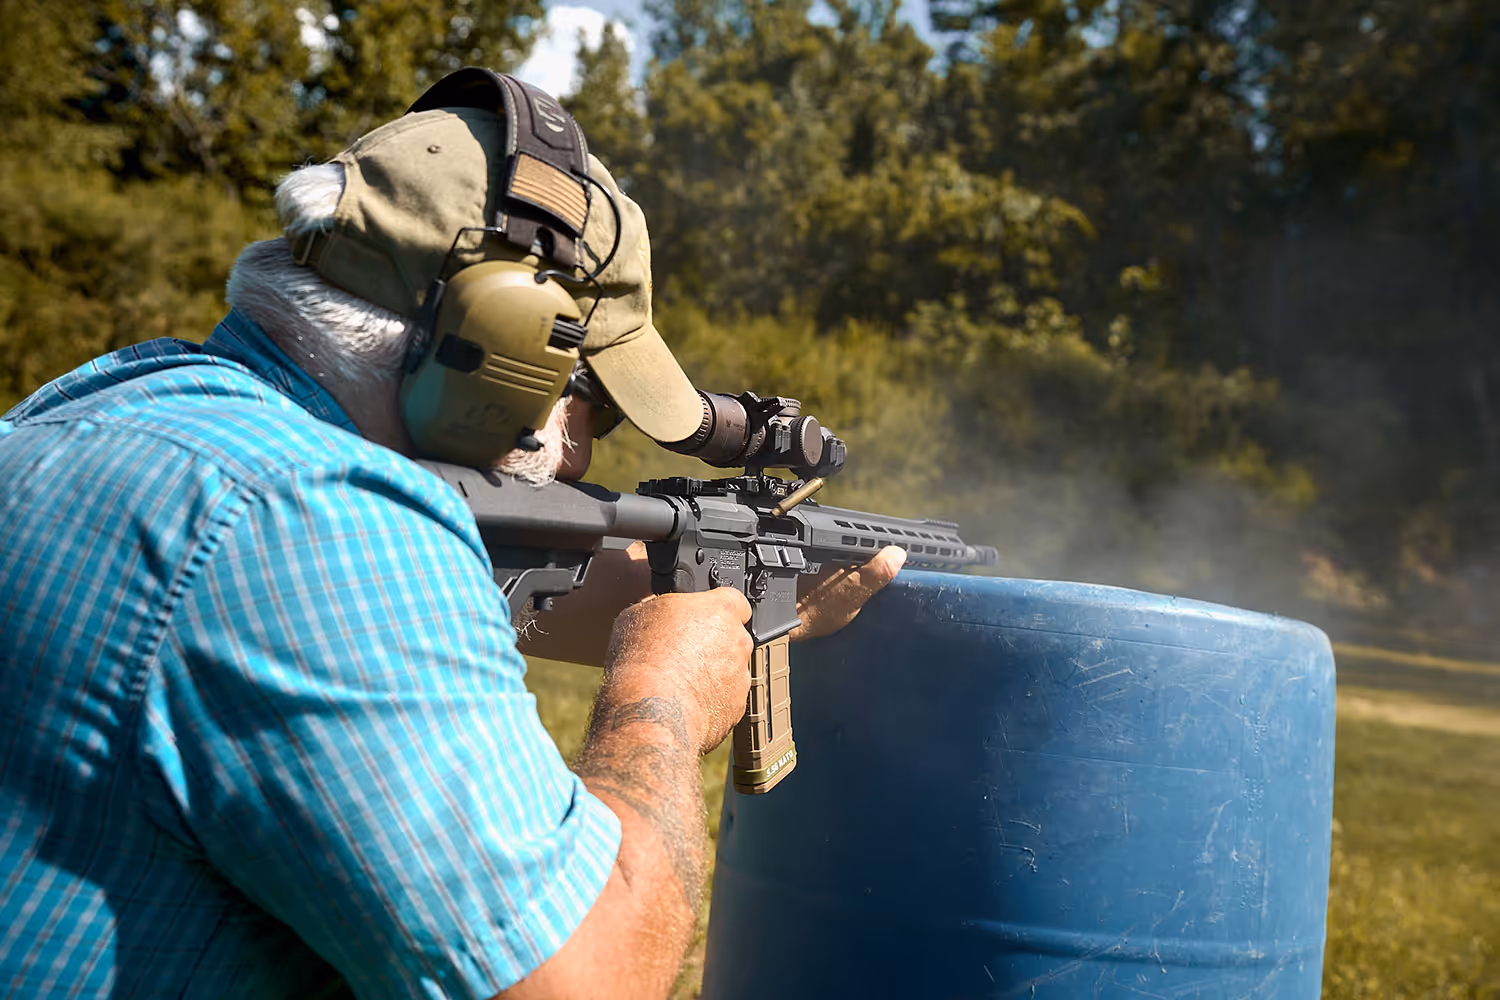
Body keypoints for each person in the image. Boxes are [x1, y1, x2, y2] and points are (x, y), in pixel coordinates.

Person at [0, 76, 904, 999]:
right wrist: (661, 695)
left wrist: (750, 596)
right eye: (587, 395)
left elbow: (469, 603)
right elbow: (584, 983)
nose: (584, 448)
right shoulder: (318, 525)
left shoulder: (98, 403)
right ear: (496, 346)